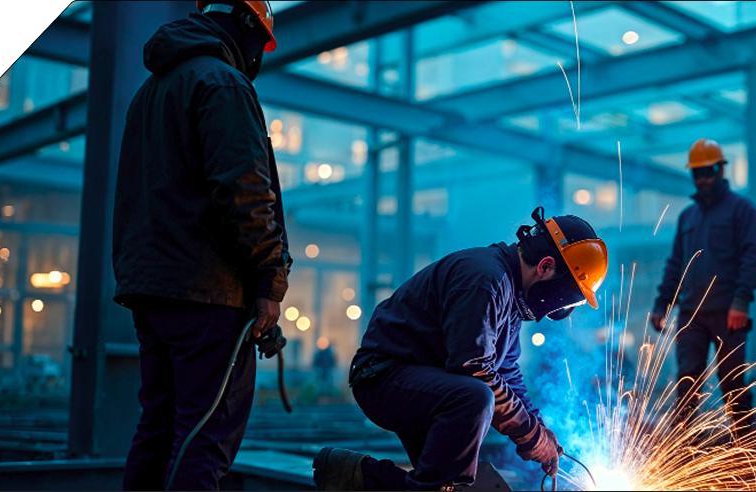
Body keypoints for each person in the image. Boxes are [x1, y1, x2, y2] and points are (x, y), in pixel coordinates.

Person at [113, 2, 291, 490]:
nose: (258, 54)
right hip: (209, 292)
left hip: (152, 289)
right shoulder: (223, 84)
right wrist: (269, 279)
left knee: (159, 427)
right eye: (261, 40)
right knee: (205, 436)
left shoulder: (149, 93)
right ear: (247, 23)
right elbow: (245, 193)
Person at [314, 207, 608, 491]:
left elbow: (506, 371)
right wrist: (529, 434)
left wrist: (538, 429)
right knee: (475, 397)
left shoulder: (510, 296)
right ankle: (361, 475)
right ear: (545, 267)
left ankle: (351, 474)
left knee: (442, 485)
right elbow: (473, 370)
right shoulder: (485, 280)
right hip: (384, 379)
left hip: (427, 383)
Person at [648, 138, 756, 424]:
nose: (702, 178)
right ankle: (684, 443)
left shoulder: (742, 210)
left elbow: (753, 256)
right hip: (691, 315)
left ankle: (744, 439)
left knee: (733, 382)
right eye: (697, 173)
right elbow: (676, 264)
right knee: (686, 382)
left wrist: (741, 301)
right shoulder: (687, 217)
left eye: (708, 171)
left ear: (720, 169)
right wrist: (662, 304)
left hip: (728, 313)